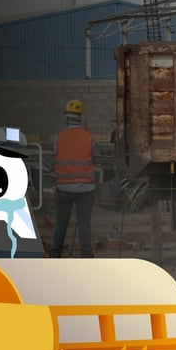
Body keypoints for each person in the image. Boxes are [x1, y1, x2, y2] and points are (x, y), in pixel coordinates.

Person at [49, 99, 98, 258]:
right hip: (86, 189)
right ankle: (86, 253)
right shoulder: (89, 137)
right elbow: (96, 157)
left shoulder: (58, 138)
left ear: (66, 118)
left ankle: (55, 252)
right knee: (84, 223)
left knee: (61, 223)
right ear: (80, 118)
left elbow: (54, 159)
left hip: (63, 188)